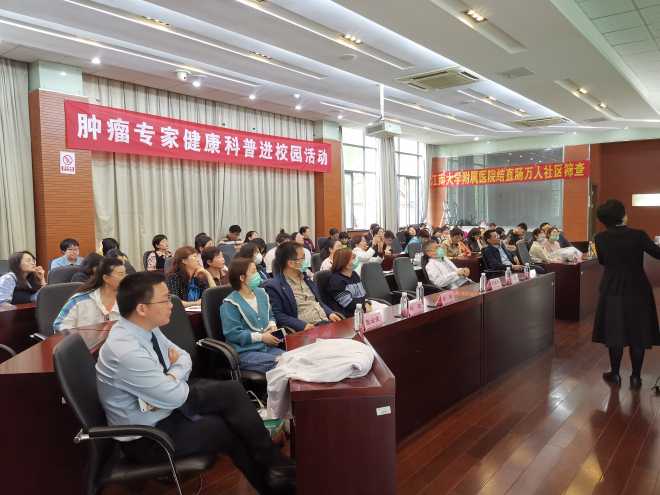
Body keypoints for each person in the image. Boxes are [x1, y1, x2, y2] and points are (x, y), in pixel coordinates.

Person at [95, 271, 295, 494]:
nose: (172, 305)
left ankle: (274, 465)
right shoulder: (125, 350)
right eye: (165, 299)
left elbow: (183, 357)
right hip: (147, 436)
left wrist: (172, 375)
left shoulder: (146, 328)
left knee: (231, 390)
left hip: (162, 408)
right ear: (142, 308)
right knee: (224, 429)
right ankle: (277, 482)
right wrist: (173, 376)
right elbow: (174, 396)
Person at [592, 200, 660, 390]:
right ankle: (636, 377)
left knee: (614, 331)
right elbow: (657, 253)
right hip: (638, 288)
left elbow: (603, 261)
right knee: (638, 332)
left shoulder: (600, 238)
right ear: (622, 215)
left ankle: (615, 374)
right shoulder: (639, 235)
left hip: (611, 288)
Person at [219, 257, 283, 374]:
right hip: (245, 352)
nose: (257, 274)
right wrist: (261, 337)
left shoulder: (261, 293)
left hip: (266, 348)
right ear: (242, 278)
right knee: (282, 363)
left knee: (293, 359)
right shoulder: (230, 304)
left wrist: (272, 325)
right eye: (253, 272)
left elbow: (270, 315)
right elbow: (233, 334)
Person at [263, 241, 341, 331]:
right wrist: (302, 325)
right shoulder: (275, 286)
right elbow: (278, 315)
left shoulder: (307, 279)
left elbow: (318, 302)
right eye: (303, 258)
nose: (306, 261)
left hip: (325, 323)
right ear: (291, 263)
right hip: (307, 330)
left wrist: (330, 313)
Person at [53, 257, 126, 331]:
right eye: (121, 274)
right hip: (84, 338)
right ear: (106, 278)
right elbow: (59, 325)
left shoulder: (127, 300)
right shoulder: (80, 300)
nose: (125, 278)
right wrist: (80, 336)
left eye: (125, 274)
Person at [327, 248, 373, 318]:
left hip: (363, 309)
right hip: (351, 315)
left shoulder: (354, 274)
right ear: (344, 262)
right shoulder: (336, 280)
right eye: (353, 258)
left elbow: (363, 294)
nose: (356, 260)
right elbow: (349, 304)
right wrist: (364, 305)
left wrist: (367, 303)